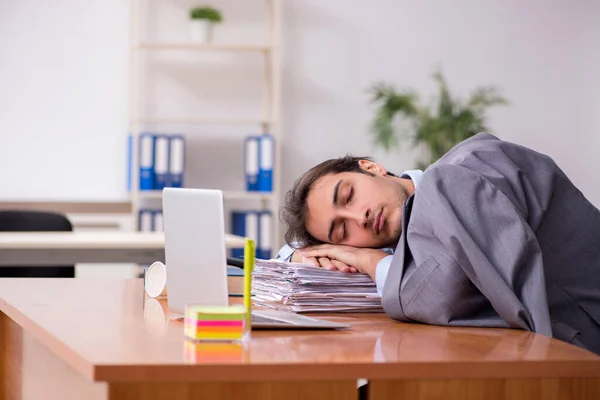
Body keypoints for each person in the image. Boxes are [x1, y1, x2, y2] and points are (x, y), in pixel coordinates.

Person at [277, 132, 600, 354]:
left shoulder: (462, 171)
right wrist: (302, 257)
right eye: (341, 231)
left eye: (348, 196)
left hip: (585, 340)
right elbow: (283, 256)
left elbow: (441, 293)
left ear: (372, 167)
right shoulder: (408, 234)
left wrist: (370, 262)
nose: (358, 218)